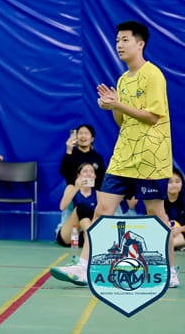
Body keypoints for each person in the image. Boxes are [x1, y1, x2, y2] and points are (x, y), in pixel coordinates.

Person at [50, 20, 177, 288]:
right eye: (117, 40)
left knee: (156, 215)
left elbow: (153, 117)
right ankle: (84, 268)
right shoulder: (123, 79)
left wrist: (118, 103)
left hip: (150, 157)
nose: (119, 45)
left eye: (125, 40)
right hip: (123, 156)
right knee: (102, 210)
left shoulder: (153, 75)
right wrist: (113, 107)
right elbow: (124, 121)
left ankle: (171, 271)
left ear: (140, 43)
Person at [55, 162, 97, 247]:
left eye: (91, 171)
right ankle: (90, 235)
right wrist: (76, 187)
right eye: (85, 171)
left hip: (82, 236)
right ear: (78, 176)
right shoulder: (71, 188)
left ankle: (89, 237)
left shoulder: (97, 193)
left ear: (95, 176)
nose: (88, 173)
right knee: (81, 208)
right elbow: (62, 207)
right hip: (68, 233)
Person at [165, 168, 185, 250]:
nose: (174, 185)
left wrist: (180, 229)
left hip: (181, 233)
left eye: (177, 181)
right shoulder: (158, 201)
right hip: (165, 233)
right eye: (170, 182)